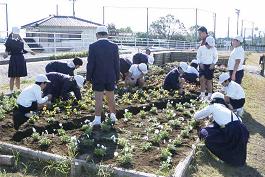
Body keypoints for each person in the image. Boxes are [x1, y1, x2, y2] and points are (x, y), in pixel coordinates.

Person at [194, 92, 249, 167]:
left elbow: (196, 116)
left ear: (213, 100)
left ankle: (226, 157)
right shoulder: (226, 109)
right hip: (243, 131)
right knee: (235, 148)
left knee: (204, 132)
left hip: (233, 131)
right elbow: (239, 121)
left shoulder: (213, 106)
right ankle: (235, 161)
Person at [86, 26, 120, 126]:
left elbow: (90, 64)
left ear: (97, 35)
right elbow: (116, 63)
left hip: (98, 76)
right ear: (107, 34)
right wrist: (117, 77)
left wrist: (88, 78)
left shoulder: (93, 46)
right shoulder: (114, 46)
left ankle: (97, 119)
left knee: (99, 98)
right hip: (110, 75)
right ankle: (113, 116)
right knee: (111, 96)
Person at [3, 27, 35, 94]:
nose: (16, 35)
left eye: (17, 34)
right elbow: (7, 50)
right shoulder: (9, 40)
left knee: (18, 76)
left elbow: (23, 50)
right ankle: (11, 91)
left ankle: (18, 89)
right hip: (14, 58)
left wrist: (30, 52)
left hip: (20, 58)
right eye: (15, 34)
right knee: (12, 76)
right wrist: (5, 54)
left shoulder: (21, 41)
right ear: (13, 33)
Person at [197, 36, 218, 100]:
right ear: (206, 43)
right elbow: (198, 57)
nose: (210, 46)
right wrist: (200, 63)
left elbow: (216, 57)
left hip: (210, 66)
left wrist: (213, 63)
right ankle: (202, 94)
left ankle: (210, 95)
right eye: (209, 45)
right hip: (202, 65)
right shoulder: (201, 48)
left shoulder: (214, 49)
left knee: (209, 81)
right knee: (202, 79)